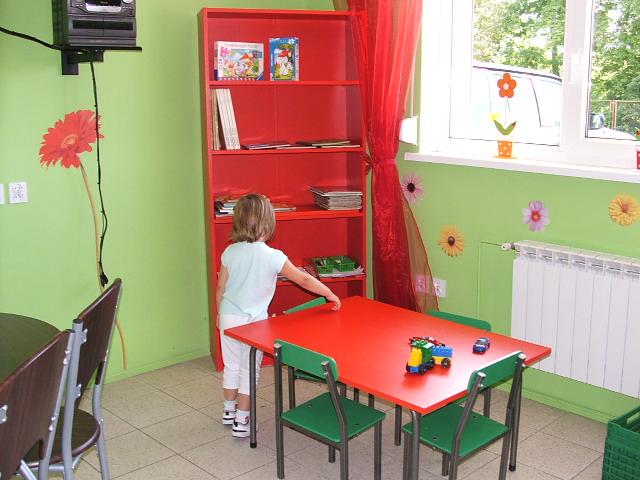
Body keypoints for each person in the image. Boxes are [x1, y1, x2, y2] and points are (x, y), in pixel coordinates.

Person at [215, 193, 341, 438]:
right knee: (249, 370)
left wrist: (220, 312)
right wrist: (328, 293)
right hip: (253, 323)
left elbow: (221, 286)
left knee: (232, 365)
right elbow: (304, 279)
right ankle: (243, 420)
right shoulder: (273, 256)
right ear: (268, 224)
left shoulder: (230, 252)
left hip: (228, 316)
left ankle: (229, 411)